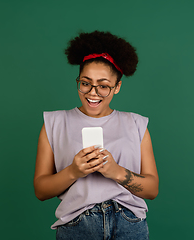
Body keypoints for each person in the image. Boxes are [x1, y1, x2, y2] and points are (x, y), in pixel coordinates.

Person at [34, 30, 159, 240]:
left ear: (117, 87)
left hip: (129, 224)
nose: (93, 92)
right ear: (78, 82)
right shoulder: (54, 123)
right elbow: (41, 190)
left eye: (103, 86)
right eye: (85, 83)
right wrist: (74, 171)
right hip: (77, 225)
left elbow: (152, 189)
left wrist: (116, 171)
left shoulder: (136, 124)